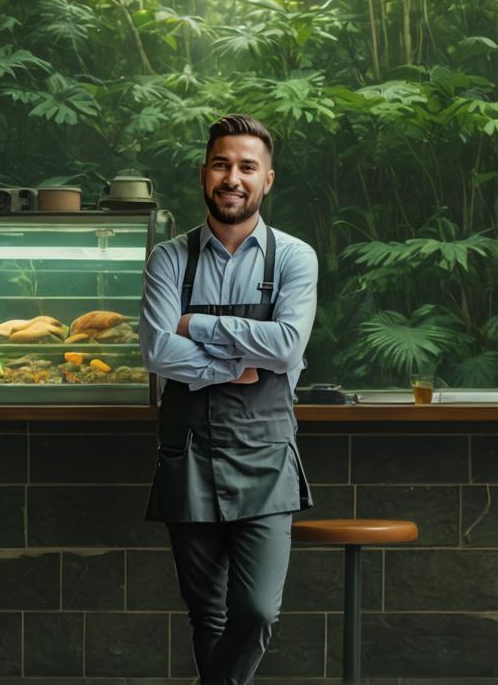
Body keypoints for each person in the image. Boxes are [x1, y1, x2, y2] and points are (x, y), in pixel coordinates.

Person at [139, 114, 317, 685]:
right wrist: (237, 363)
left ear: (267, 179)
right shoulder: (169, 258)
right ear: (203, 173)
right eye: (221, 164)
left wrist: (198, 325)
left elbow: (288, 348)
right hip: (188, 452)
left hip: (266, 455)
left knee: (257, 611)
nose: (232, 177)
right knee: (207, 615)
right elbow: (156, 352)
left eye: (247, 166)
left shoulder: (293, 258)